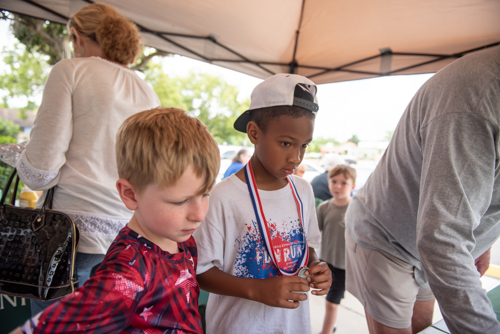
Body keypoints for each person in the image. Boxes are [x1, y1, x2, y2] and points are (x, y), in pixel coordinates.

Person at [10, 107, 220, 334]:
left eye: (205, 194)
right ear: (130, 194)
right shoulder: (130, 271)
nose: (198, 214)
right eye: (180, 202)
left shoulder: (183, 240)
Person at [14, 3, 160, 315]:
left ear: (78, 37)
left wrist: (17, 156)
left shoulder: (70, 70)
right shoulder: (146, 91)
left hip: (68, 237)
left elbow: (40, 170)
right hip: (125, 237)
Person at [345, 45, 500, 334]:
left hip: (435, 249)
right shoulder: (478, 97)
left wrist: (484, 241)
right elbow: (441, 240)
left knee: (422, 326)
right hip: (387, 239)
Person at [194, 73, 332, 334]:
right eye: (285, 143)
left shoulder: (303, 190)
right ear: (254, 133)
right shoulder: (222, 196)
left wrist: (316, 266)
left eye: (304, 145)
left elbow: (308, 247)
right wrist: (257, 289)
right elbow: (200, 272)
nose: (296, 157)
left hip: (293, 326)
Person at [318, 164, 356, 334]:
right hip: (326, 263)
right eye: (334, 181)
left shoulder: (356, 209)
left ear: (352, 186)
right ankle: (331, 326)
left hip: (344, 266)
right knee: (328, 298)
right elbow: (314, 234)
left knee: (331, 302)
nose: (338, 186)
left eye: (343, 183)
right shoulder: (324, 208)